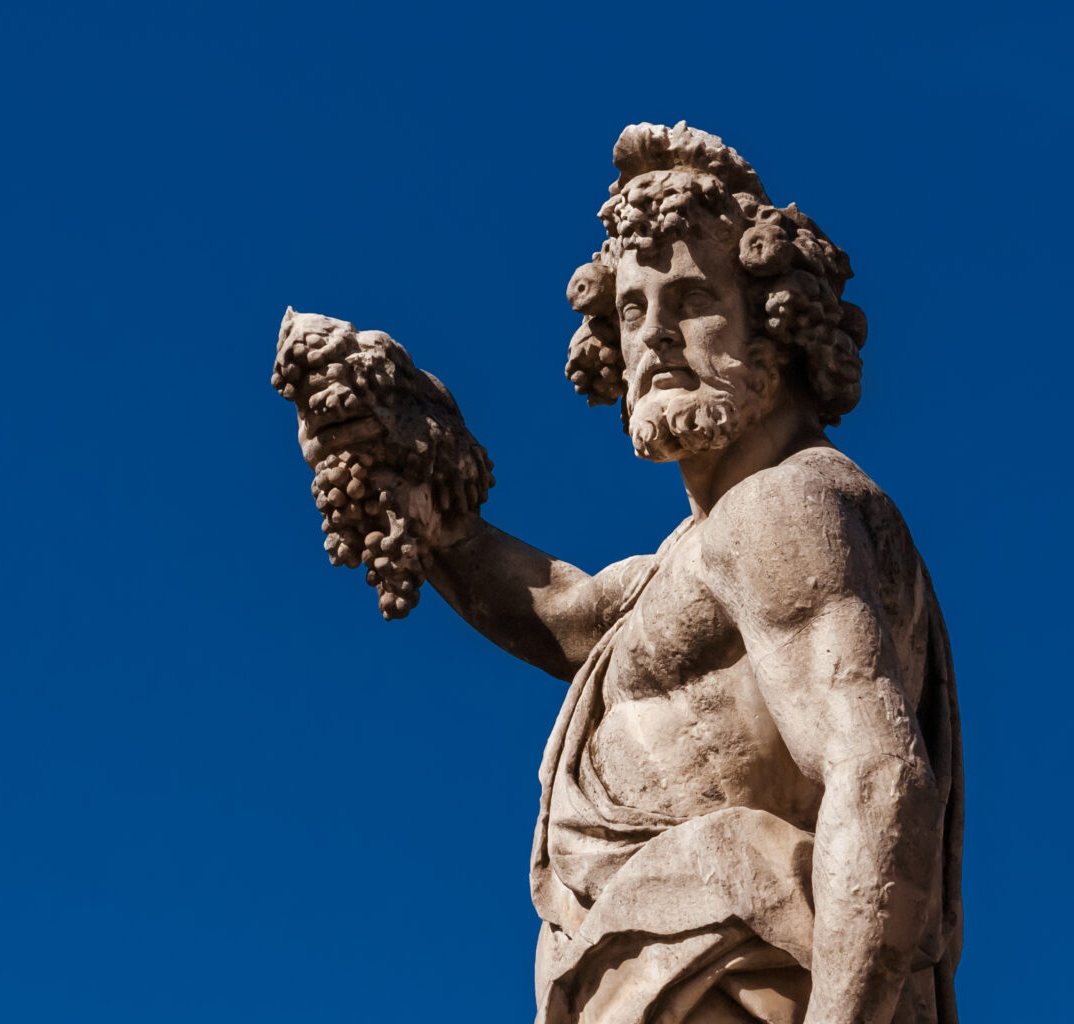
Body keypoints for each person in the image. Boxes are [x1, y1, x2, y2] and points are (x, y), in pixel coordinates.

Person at [289, 123, 962, 1024]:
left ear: (773, 321)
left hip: (734, 982)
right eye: (634, 311)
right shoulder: (693, 552)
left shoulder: (784, 507)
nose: (656, 339)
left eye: (691, 299)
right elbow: (573, 614)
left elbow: (876, 773)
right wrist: (432, 508)